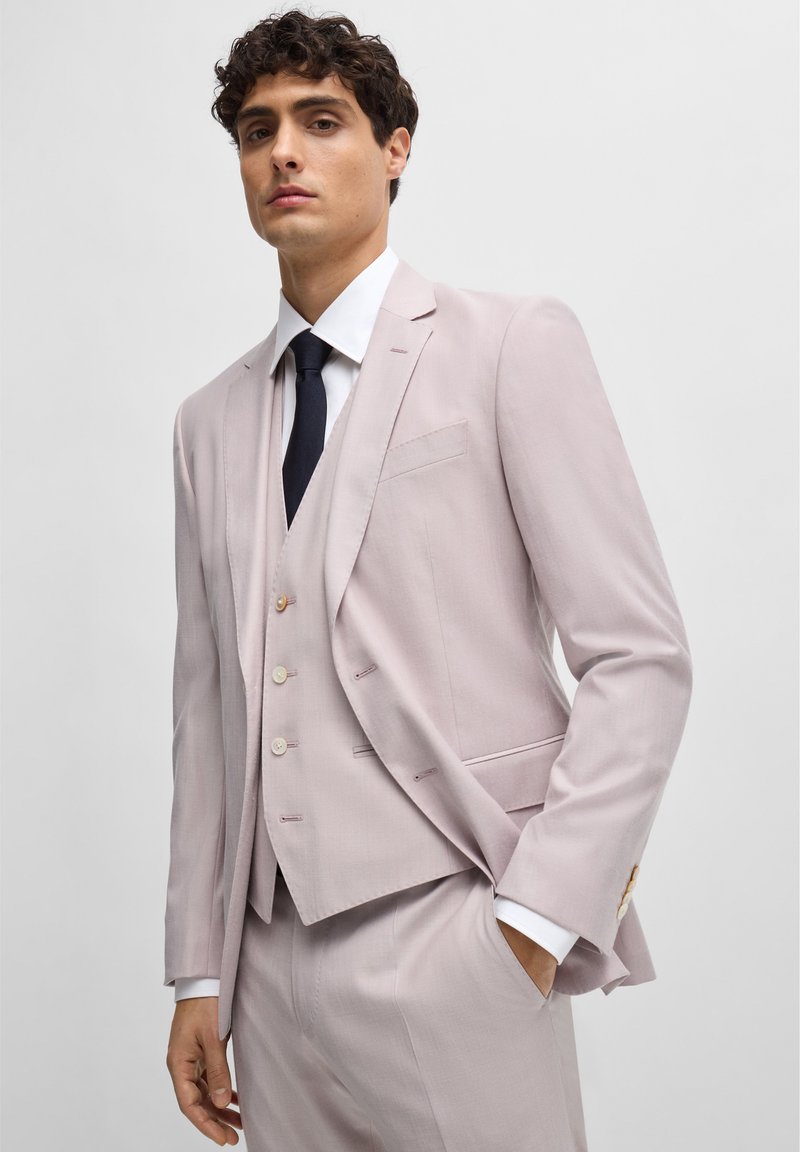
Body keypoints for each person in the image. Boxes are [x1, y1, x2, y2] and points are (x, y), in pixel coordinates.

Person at [163, 9, 693, 1150]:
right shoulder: (206, 423)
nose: (284, 152)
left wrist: (534, 923)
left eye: (321, 121)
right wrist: (200, 972)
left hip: (455, 936)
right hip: (267, 972)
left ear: (395, 146)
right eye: (257, 131)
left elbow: (637, 658)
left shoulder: (507, 345)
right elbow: (208, 714)